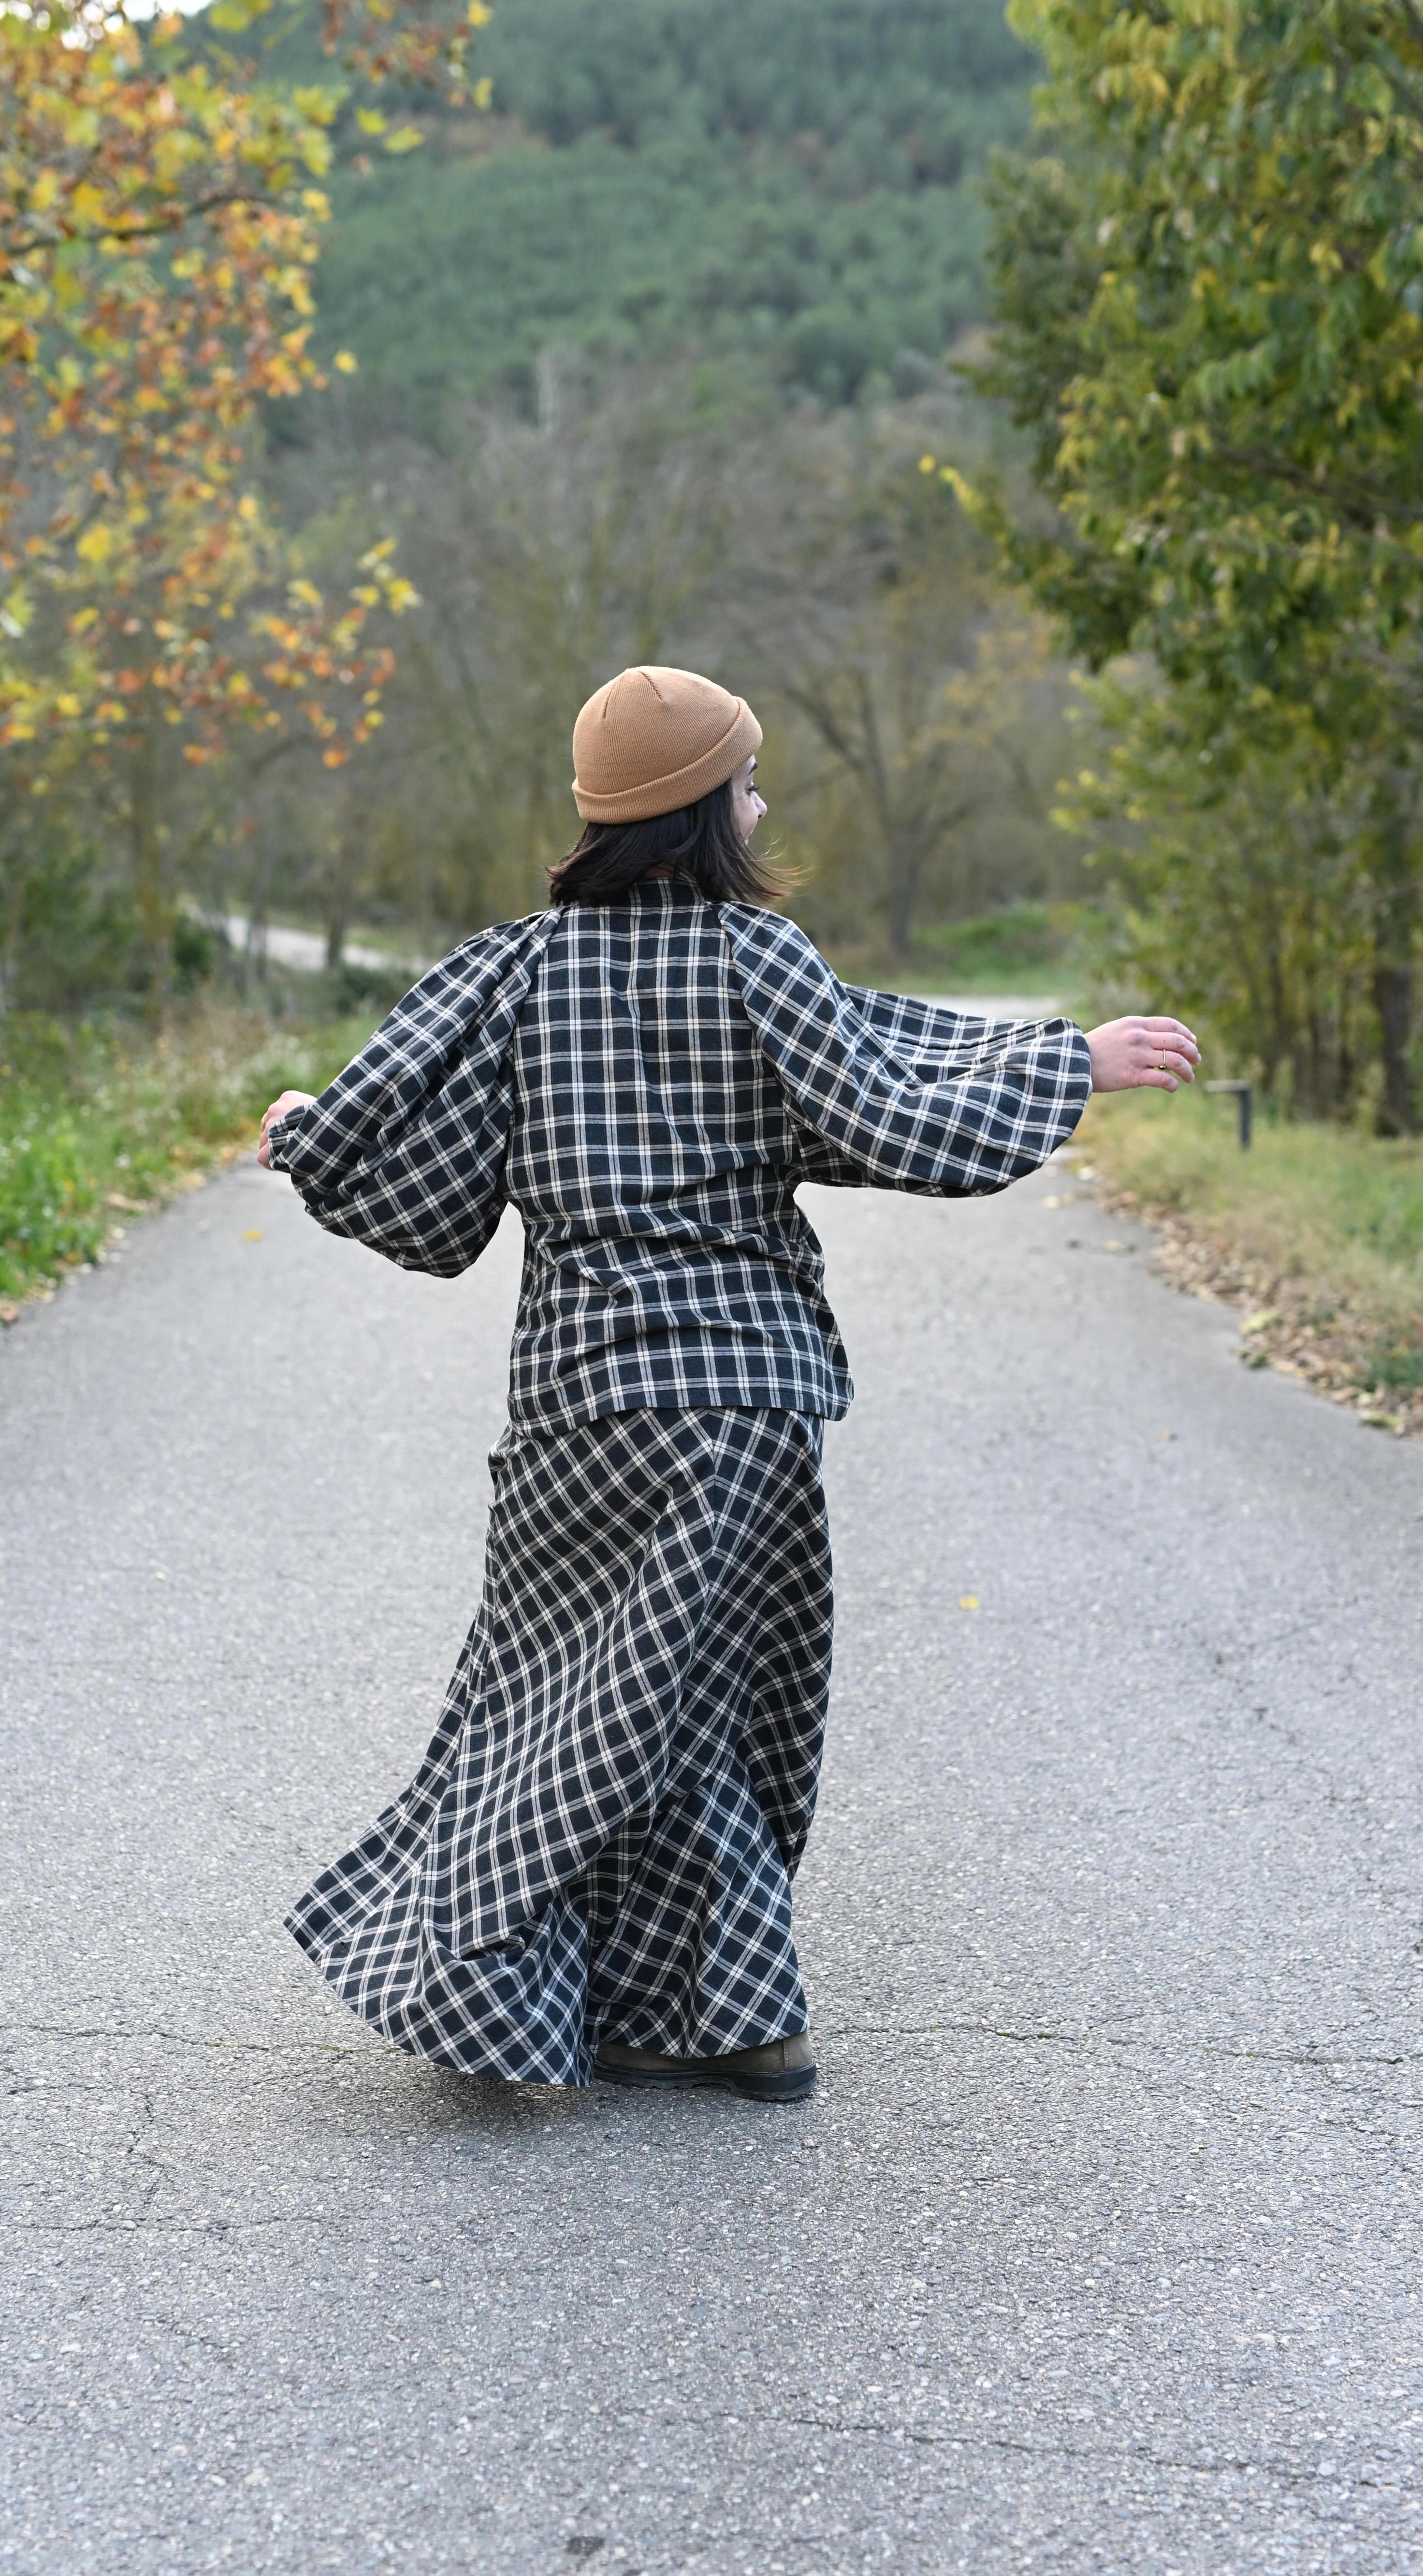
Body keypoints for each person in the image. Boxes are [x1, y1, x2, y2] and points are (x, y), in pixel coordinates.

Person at [258, 666, 1198, 2105]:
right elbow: (887, 1102)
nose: (764, 805)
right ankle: (733, 2022)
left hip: (581, 1406)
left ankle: (620, 2006)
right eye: (750, 783)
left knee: (560, 1702)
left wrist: (311, 1135)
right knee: (699, 1697)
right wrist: (1067, 1065)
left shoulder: (515, 971)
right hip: (749, 1401)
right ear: (704, 808)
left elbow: (431, 1205)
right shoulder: (761, 962)